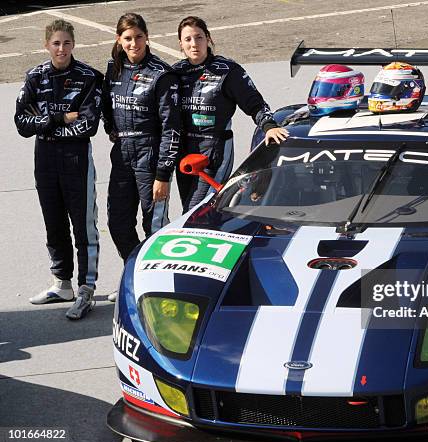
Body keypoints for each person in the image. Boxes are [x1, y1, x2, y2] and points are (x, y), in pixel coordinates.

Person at [14, 19, 103, 320]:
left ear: (74, 44)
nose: (61, 48)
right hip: (45, 159)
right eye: (56, 43)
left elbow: (87, 125)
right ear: (46, 45)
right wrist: (59, 118)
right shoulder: (35, 76)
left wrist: (48, 124)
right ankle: (62, 283)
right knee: (54, 223)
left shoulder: (89, 77)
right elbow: (21, 124)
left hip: (76, 159)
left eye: (66, 43)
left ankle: (86, 288)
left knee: (83, 225)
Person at [173, 16, 288, 213]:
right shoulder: (175, 72)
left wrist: (269, 125)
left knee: (198, 211)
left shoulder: (227, 70)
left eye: (199, 37)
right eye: (188, 39)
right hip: (184, 151)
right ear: (181, 44)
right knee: (192, 209)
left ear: (208, 39)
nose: (194, 44)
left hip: (214, 150)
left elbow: (254, 103)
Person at [102, 12, 181, 298]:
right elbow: (105, 107)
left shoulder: (162, 73)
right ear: (119, 40)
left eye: (138, 37)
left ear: (147, 37)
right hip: (122, 155)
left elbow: (172, 127)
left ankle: (159, 285)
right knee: (118, 221)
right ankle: (134, 273)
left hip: (151, 155)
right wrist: (111, 128)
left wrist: (163, 173)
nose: (133, 43)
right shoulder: (114, 68)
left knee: (155, 225)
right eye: (127, 38)